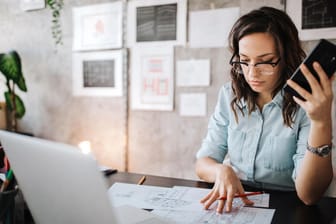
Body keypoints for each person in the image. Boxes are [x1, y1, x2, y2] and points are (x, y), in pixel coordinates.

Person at [195, 6, 334, 214]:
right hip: (238, 206)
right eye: (244, 60)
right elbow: (203, 163)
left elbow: (309, 195)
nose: (252, 73)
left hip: (288, 209)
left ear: (286, 57)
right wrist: (221, 170)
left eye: (266, 62)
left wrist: (321, 122)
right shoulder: (229, 95)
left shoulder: (307, 103)